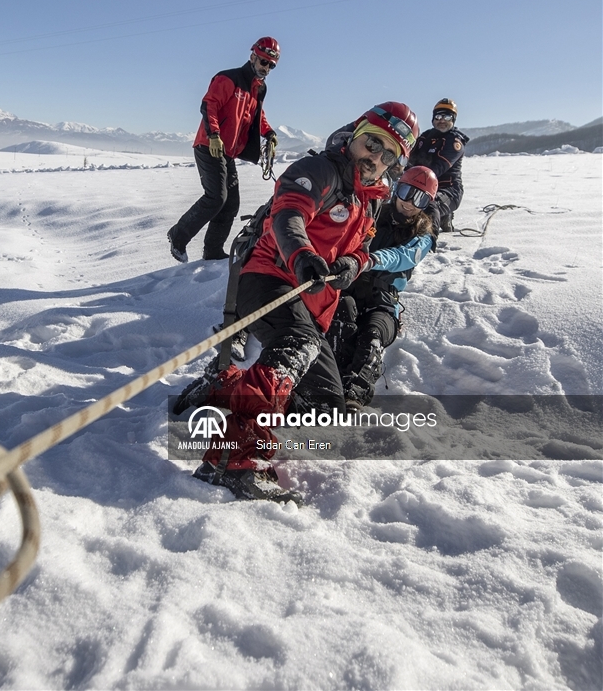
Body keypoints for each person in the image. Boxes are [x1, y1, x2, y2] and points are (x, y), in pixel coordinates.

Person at [187, 102, 420, 502]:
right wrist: (301, 255)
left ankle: (223, 387)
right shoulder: (322, 171)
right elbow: (288, 214)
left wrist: (352, 263)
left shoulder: (371, 200)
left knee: (322, 404)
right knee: (298, 345)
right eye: (372, 143)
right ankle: (230, 460)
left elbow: (363, 247)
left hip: (312, 305)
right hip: (269, 278)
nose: (375, 157)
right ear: (356, 135)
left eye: (388, 154)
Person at [327, 166, 439, 411]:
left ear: (426, 204)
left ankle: (356, 392)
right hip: (351, 289)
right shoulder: (375, 213)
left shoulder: (423, 235)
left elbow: (404, 256)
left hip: (384, 299)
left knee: (373, 333)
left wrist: (372, 260)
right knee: (340, 319)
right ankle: (329, 382)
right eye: (407, 191)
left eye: (419, 198)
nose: (409, 202)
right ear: (397, 188)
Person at [168, 38, 280, 263]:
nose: (266, 68)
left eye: (271, 65)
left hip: (227, 152)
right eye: (263, 62)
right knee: (216, 197)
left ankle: (212, 252)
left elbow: (257, 116)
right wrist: (214, 136)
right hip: (209, 145)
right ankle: (178, 235)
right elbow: (209, 105)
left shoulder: (258, 88)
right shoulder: (228, 78)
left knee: (231, 204)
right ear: (252, 57)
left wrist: (268, 133)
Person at [407, 98, 468, 232]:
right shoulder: (425, 137)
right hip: (422, 186)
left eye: (447, 116)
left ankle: (428, 239)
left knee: (426, 205)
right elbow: (410, 157)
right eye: (438, 116)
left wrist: (411, 177)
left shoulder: (455, 142)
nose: (442, 120)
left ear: (453, 119)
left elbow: (437, 168)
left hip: (448, 189)